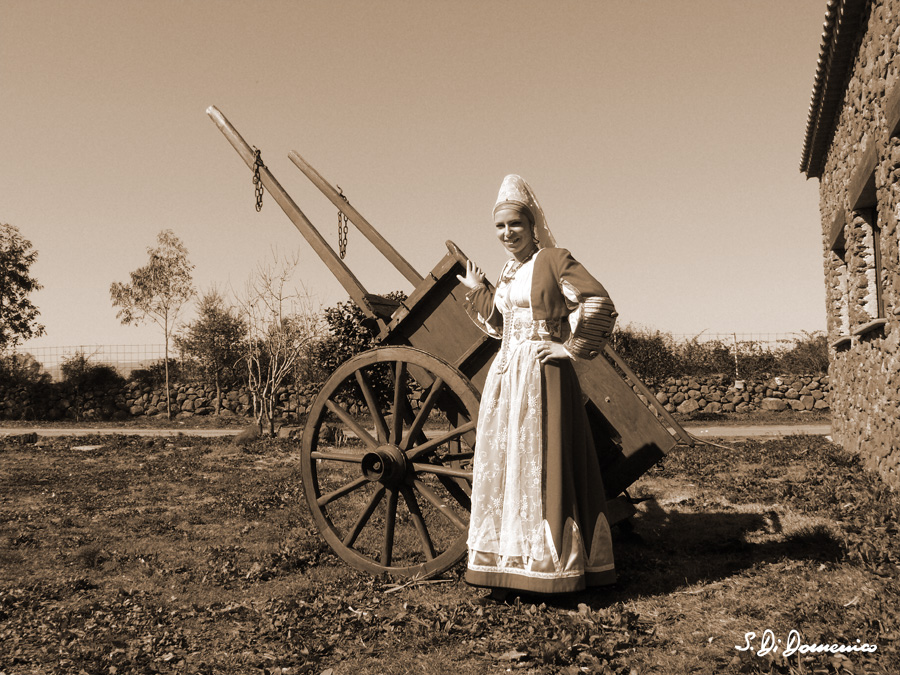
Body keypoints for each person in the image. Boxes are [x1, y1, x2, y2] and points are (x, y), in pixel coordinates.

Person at [456, 174, 617, 597]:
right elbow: (500, 326)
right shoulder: (510, 271)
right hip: (507, 376)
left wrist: (571, 348)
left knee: (543, 463)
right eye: (499, 226)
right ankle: (511, 561)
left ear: (532, 226)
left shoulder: (553, 259)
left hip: (543, 375)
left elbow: (598, 301)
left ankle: (550, 566)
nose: (507, 234)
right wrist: (478, 291)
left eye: (515, 225)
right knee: (509, 466)